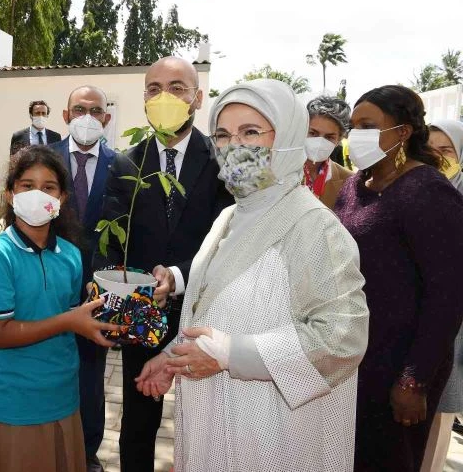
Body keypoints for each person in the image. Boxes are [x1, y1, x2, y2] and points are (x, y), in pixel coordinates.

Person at [135, 79, 369, 471]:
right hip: (215, 425)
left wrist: (231, 355)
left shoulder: (315, 227)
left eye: (251, 132)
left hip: (274, 435)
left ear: (289, 138)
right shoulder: (229, 216)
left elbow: (342, 339)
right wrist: (172, 356)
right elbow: (211, 306)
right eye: (223, 135)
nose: (234, 147)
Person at [94, 56, 233, 472]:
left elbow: (230, 240)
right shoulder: (125, 163)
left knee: (203, 416)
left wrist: (177, 276)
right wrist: (109, 291)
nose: (164, 97)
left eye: (176, 87)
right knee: (139, 413)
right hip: (143, 310)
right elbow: (111, 239)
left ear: (197, 97)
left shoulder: (222, 163)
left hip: (207, 308)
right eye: (153, 89)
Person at [333, 85, 463, 471]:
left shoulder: (428, 192)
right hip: (350, 355)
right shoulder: (355, 186)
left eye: (368, 125)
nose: (356, 135)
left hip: (398, 366)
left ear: (403, 132)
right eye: (353, 126)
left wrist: (414, 379)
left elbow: (448, 295)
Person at [0, 146, 121, 472]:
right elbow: (0, 334)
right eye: (27, 186)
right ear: (10, 195)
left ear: (62, 198)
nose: (37, 193)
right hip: (17, 401)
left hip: (64, 396)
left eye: (49, 187)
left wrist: (99, 323)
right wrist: (71, 320)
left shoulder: (69, 254)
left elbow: (72, 318)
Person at [49, 85, 117, 472]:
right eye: (79, 109)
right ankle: (52, 444)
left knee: (91, 375)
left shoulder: (122, 166)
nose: (87, 116)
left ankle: (88, 452)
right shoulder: (43, 160)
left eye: (95, 110)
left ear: (106, 119)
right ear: (65, 115)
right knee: (50, 361)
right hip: (50, 284)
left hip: (99, 291)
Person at [421, 119, 463, 472]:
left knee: (439, 420)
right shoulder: (412, 190)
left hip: (454, 329)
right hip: (412, 327)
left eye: (446, 150)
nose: (437, 157)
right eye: (430, 148)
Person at [303, 96, 354, 208]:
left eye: (329, 137)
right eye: (313, 133)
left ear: (338, 140)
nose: (320, 141)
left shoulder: (349, 181)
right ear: (302, 130)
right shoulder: (280, 171)